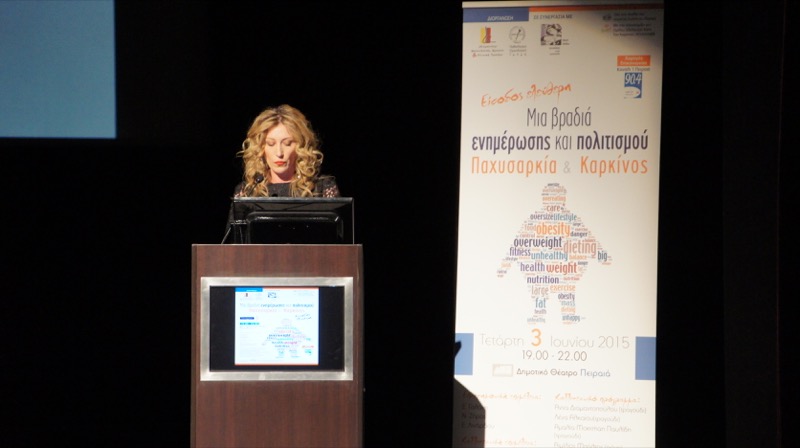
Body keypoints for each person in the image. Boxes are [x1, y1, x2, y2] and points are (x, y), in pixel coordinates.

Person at [233, 104, 339, 198]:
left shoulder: (321, 188)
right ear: (260, 148)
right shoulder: (247, 192)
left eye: (287, 143)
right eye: (271, 144)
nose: (279, 153)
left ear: (301, 146)